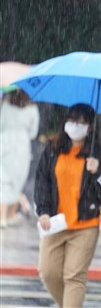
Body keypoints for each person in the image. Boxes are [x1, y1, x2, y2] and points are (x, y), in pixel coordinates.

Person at [35, 103, 101, 308]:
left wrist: (97, 171)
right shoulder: (52, 149)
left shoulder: (98, 153)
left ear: (90, 127)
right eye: (72, 121)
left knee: (74, 277)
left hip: (85, 225)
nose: (75, 126)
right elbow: (42, 182)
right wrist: (43, 212)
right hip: (55, 223)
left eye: (81, 123)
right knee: (48, 272)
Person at [0, 89, 39, 228]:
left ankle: (2, 216)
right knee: (18, 181)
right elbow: (33, 131)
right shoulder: (32, 108)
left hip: (4, 142)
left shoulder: (5, 104)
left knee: (3, 181)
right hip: (22, 146)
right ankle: (10, 215)